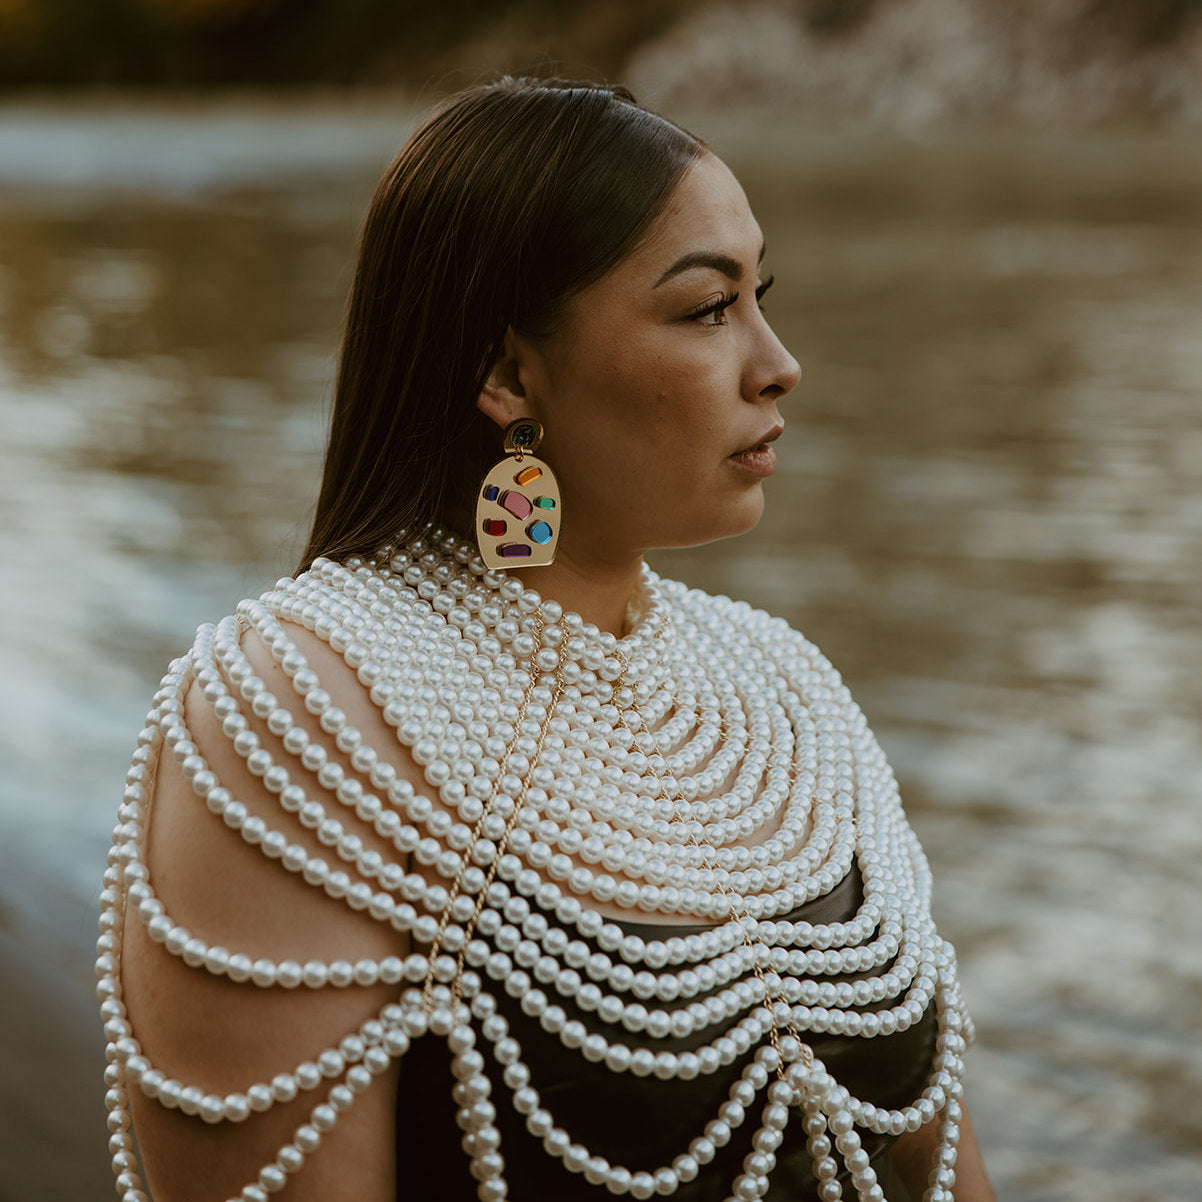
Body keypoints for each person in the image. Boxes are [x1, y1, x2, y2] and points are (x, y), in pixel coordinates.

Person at [97, 77, 996, 1202]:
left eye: (758, 295)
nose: (777, 363)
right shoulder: (297, 704)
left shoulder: (784, 689)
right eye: (706, 309)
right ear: (508, 372)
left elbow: (941, 1163)